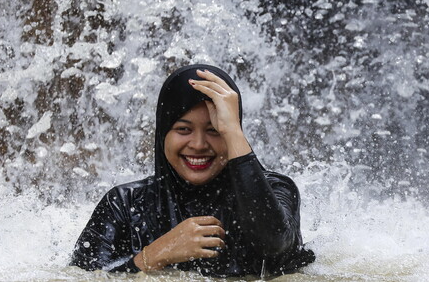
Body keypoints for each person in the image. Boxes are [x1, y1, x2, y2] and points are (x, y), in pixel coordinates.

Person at [69, 64, 315, 277]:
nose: (198, 145)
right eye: (183, 129)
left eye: (215, 131)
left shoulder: (276, 190)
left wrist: (232, 130)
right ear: (163, 133)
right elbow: (78, 278)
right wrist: (154, 255)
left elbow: (275, 243)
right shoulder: (124, 204)